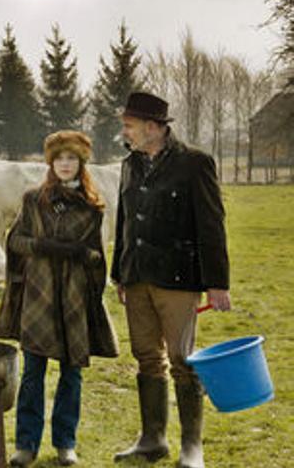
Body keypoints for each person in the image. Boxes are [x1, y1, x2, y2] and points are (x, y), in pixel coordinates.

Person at [111, 91, 231, 468]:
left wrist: (218, 282)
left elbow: (211, 224)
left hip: (178, 277)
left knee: (182, 358)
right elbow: (123, 221)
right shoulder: (129, 164)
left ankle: (192, 448)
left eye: (129, 125)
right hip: (136, 276)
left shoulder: (195, 163)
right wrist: (119, 272)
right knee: (146, 356)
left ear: (153, 127)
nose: (125, 132)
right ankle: (152, 440)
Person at [0, 130, 119, 467]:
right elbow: (15, 242)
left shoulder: (93, 208)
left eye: (72, 159)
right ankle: (26, 444)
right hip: (39, 294)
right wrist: (47, 247)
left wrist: (86, 257)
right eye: (60, 159)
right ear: (52, 163)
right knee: (33, 372)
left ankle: (66, 443)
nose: (65, 164)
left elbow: (97, 254)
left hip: (75, 295)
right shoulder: (33, 199)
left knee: (71, 374)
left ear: (81, 164)